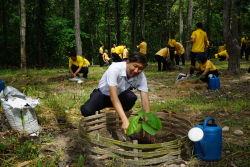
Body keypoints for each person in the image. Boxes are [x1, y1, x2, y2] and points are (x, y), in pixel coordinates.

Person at [80, 52, 152, 140]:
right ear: (127, 62)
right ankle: (119, 121)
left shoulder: (141, 77)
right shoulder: (115, 68)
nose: (136, 71)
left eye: (140, 68)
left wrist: (147, 124)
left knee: (131, 97)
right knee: (86, 110)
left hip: (119, 96)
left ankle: (120, 119)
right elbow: (113, 97)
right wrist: (125, 120)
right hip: (103, 95)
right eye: (135, 66)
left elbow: (145, 101)